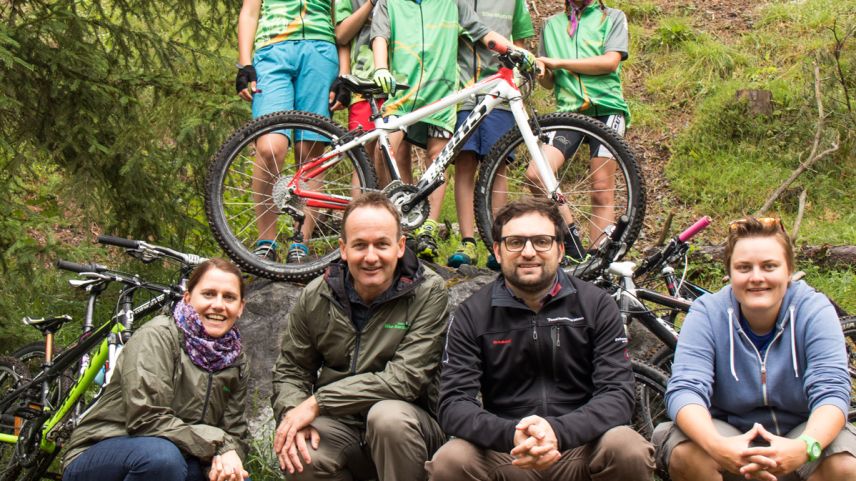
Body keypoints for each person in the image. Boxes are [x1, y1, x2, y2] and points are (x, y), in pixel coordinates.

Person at [426, 197, 654, 480]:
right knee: (451, 459)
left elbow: (618, 394)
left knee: (627, 446)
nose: (529, 251)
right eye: (515, 242)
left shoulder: (596, 305)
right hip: (508, 452)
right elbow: (453, 404)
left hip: (580, 446)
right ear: (497, 251)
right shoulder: (472, 314)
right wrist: (512, 435)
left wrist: (558, 432)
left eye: (542, 241)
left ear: (560, 250)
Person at [653, 216, 856, 481]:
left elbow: (831, 390)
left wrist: (805, 447)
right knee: (686, 453)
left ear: (789, 270)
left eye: (769, 266)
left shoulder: (813, 310)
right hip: (727, 433)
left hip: (801, 431)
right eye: (744, 267)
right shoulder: (707, 313)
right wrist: (716, 445)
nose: (756, 277)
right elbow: (685, 390)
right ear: (729, 273)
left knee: (844, 466)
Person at [270, 191, 448, 481]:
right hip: (342, 427)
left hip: (408, 426)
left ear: (401, 246)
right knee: (304, 450)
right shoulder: (317, 295)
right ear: (343, 249)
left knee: (387, 419)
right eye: (360, 245)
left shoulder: (428, 292)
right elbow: (292, 369)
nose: (370, 257)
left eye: (382, 245)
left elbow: (405, 380)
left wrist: (318, 402)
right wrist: (293, 414)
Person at [370, 0, 533, 261]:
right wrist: (380, 67)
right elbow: (379, 36)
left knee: (439, 159)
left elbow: (481, 32)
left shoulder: (452, 2)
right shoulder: (389, 3)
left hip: (441, 97)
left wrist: (515, 51)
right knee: (385, 149)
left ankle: (427, 229)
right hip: (401, 93)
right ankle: (386, 221)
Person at [62, 259, 250, 481]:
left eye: (229, 297)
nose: (219, 305)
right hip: (104, 449)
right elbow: (146, 418)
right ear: (188, 298)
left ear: (240, 307)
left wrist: (223, 465)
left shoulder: (235, 358)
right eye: (208, 294)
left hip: (184, 455)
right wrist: (219, 444)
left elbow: (234, 433)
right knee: (162, 459)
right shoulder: (158, 336)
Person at [236, 0, 341, 264]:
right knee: (270, 148)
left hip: (320, 50)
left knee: (310, 155)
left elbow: (342, 19)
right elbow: (249, 12)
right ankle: (265, 241)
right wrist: (245, 64)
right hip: (271, 49)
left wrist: (345, 75)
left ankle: (300, 243)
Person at [535, 0, 631, 261]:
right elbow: (548, 82)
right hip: (569, 112)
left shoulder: (612, 17)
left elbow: (610, 62)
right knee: (536, 175)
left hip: (606, 108)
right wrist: (540, 70)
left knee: (601, 189)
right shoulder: (551, 25)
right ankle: (572, 240)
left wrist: (558, 62)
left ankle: (600, 260)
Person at [446, 0, 535, 269]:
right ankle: (468, 240)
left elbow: (522, 40)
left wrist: (522, 73)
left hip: (501, 92)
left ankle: (498, 241)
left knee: (498, 167)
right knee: (465, 163)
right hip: (462, 91)